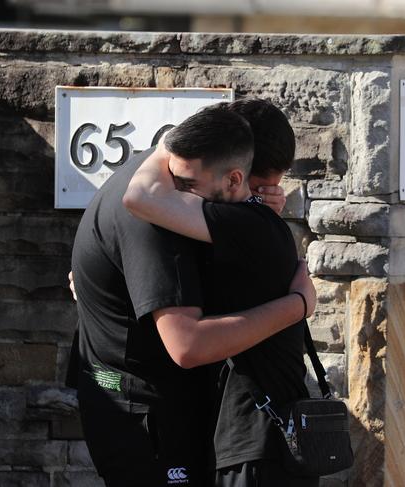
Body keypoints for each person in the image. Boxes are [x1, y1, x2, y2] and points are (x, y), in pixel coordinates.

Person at [70, 102, 316, 487]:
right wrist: (298, 305)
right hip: (148, 417)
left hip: (146, 406)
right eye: (258, 190)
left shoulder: (158, 178)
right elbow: (187, 345)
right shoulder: (159, 215)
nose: (265, 202)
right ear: (235, 174)